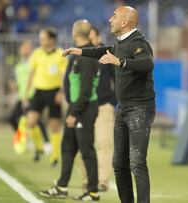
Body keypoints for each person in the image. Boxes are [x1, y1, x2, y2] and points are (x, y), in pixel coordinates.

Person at [62, 6, 155, 203]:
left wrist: (120, 62)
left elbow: (147, 63)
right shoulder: (121, 42)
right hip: (124, 108)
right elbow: (103, 50)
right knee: (119, 164)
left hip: (140, 108)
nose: (110, 19)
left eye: (114, 16)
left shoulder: (138, 42)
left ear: (125, 22)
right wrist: (80, 51)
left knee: (137, 162)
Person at [39, 19, 100, 201]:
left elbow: (86, 90)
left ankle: (93, 191)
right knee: (67, 147)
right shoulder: (79, 54)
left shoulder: (87, 56)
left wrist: (74, 113)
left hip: (84, 109)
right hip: (77, 107)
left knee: (86, 150)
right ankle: (62, 186)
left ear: (75, 34)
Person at [78, 25, 116, 192]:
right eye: (88, 38)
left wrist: (112, 101)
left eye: (92, 38)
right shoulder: (82, 55)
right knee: (84, 144)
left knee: (104, 144)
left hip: (102, 105)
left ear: (98, 37)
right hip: (85, 106)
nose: (90, 41)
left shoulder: (107, 54)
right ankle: (88, 179)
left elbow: (118, 79)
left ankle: (102, 180)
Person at [25, 27, 68, 167]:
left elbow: (63, 75)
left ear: (51, 39)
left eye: (43, 38)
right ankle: (39, 147)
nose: (41, 41)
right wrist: (26, 93)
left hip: (54, 91)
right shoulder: (37, 53)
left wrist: (61, 92)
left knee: (54, 126)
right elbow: (31, 73)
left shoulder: (61, 54)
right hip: (39, 91)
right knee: (31, 122)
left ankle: (55, 157)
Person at [8, 40, 49, 159]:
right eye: (24, 47)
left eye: (28, 47)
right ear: (20, 49)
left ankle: (45, 144)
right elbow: (13, 79)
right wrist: (13, 85)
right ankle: (23, 139)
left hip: (33, 95)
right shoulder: (17, 64)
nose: (26, 50)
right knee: (12, 118)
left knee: (35, 121)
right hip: (22, 97)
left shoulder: (34, 62)